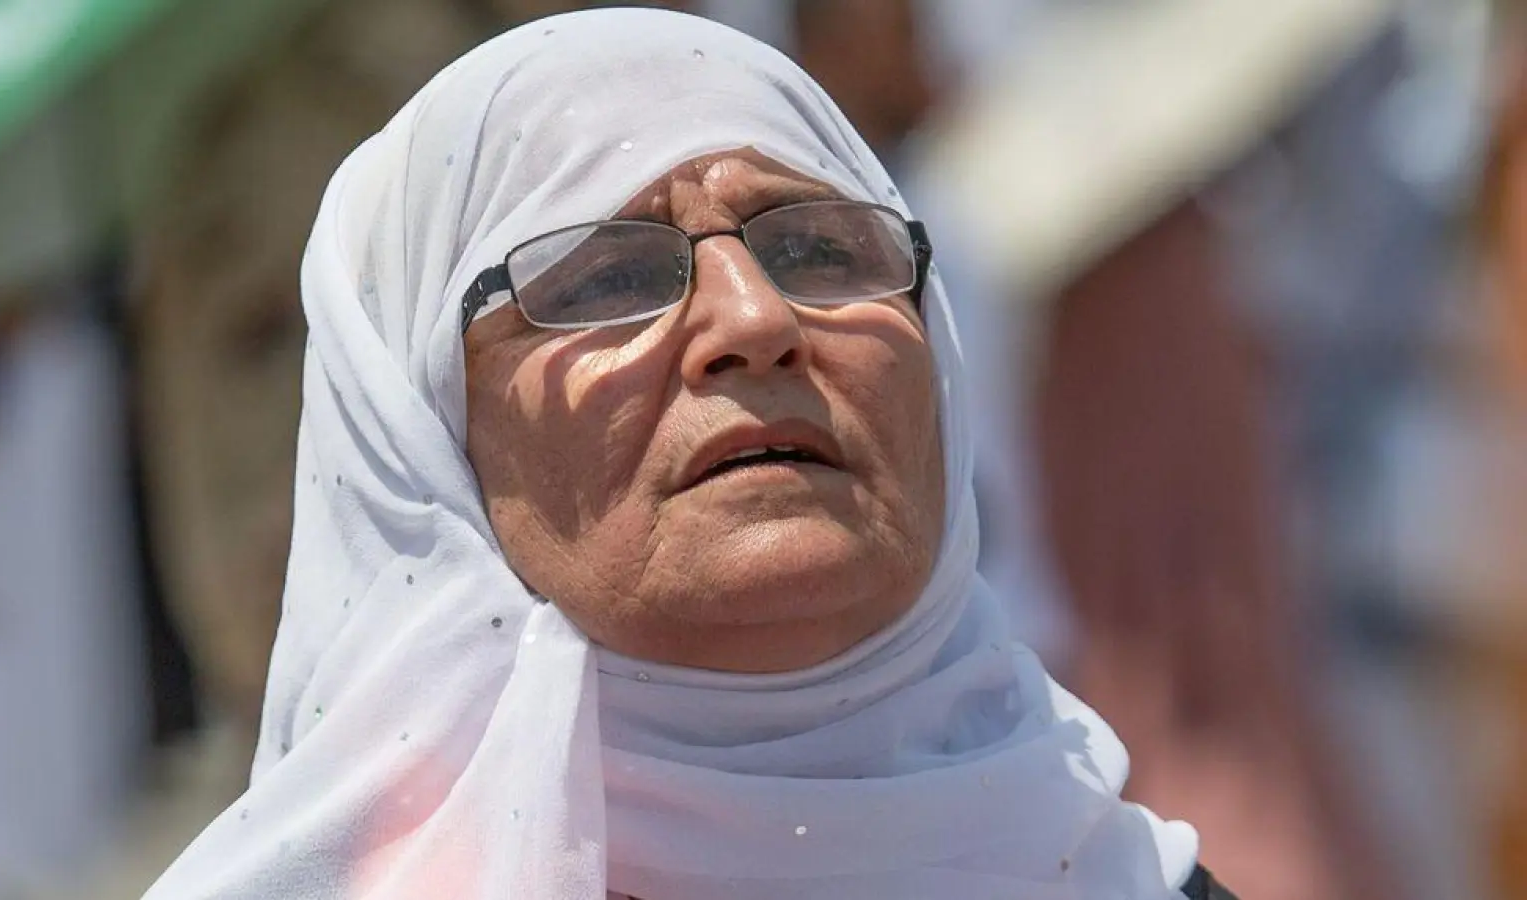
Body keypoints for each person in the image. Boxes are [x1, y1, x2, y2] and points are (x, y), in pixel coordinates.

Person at [144, 9, 1232, 898]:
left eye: (819, 248)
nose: (753, 320)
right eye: (606, 279)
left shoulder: (1117, 878)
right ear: (419, 429)